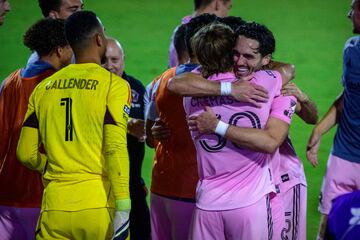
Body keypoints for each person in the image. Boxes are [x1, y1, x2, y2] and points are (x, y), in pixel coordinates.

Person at [16, 11, 131, 240]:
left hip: (54, 208)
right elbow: (114, 148)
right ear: (99, 40)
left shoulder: (43, 89)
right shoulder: (114, 86)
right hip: (97, 207)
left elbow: (25, 153)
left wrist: (49, 165)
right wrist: (123, 205)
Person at [183, 22, 296, 240]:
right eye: (235, 53)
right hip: (249, 205)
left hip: (206, 205)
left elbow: (176, 82)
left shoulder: (189, 93)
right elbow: (289, 69)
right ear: (229, 53)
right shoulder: (264, 82)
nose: (240, 61)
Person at [0, 18, 72, 240]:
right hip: (40, 196)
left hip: (5, 196)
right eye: (71, 47)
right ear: (60, 50)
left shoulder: (9, 81)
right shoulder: (58, 84)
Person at [306, 0, 360, 239]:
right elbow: (349, 95)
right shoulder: (351, 48)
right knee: (328, 227)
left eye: (354, 8)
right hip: (343, 156)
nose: (349, 14)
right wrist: (319, 131)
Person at [103, 37, 151, 240]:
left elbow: (148, 131)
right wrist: (128, 124)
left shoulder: (137, 89)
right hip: (104, 185)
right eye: (104, 61)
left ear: (124, 59)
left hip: (133, 183)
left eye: (115, 59)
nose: (110, 66)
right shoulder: (95, 89)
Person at [168, 0, 232, 67]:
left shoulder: (179, 30)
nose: (227, 14)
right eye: (228, 8)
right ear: (217, 3)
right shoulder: (207, 36)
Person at [27, 0, 84, 65]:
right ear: (53, 15)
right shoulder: (40, 61)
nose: (82, 15)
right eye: (74, 10)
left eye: (82, 8)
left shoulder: (91, 26)